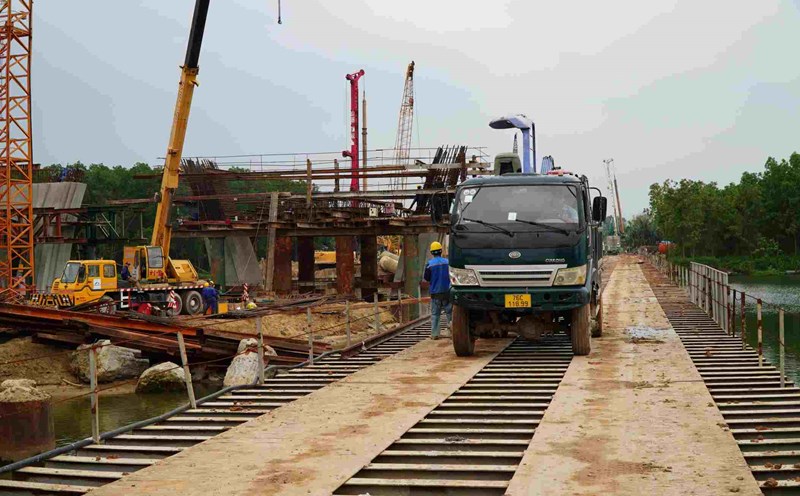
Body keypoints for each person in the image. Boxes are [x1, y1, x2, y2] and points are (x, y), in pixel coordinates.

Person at [423, 241, 452, 340]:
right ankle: (452, 332)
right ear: (441, 251)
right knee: (450, 313)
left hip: (435, 293)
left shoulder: (429, 265)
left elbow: (426, 278)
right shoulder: (448, 262)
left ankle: (435, 334)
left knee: (435, 314)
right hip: (447, 292)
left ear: (432, 252)